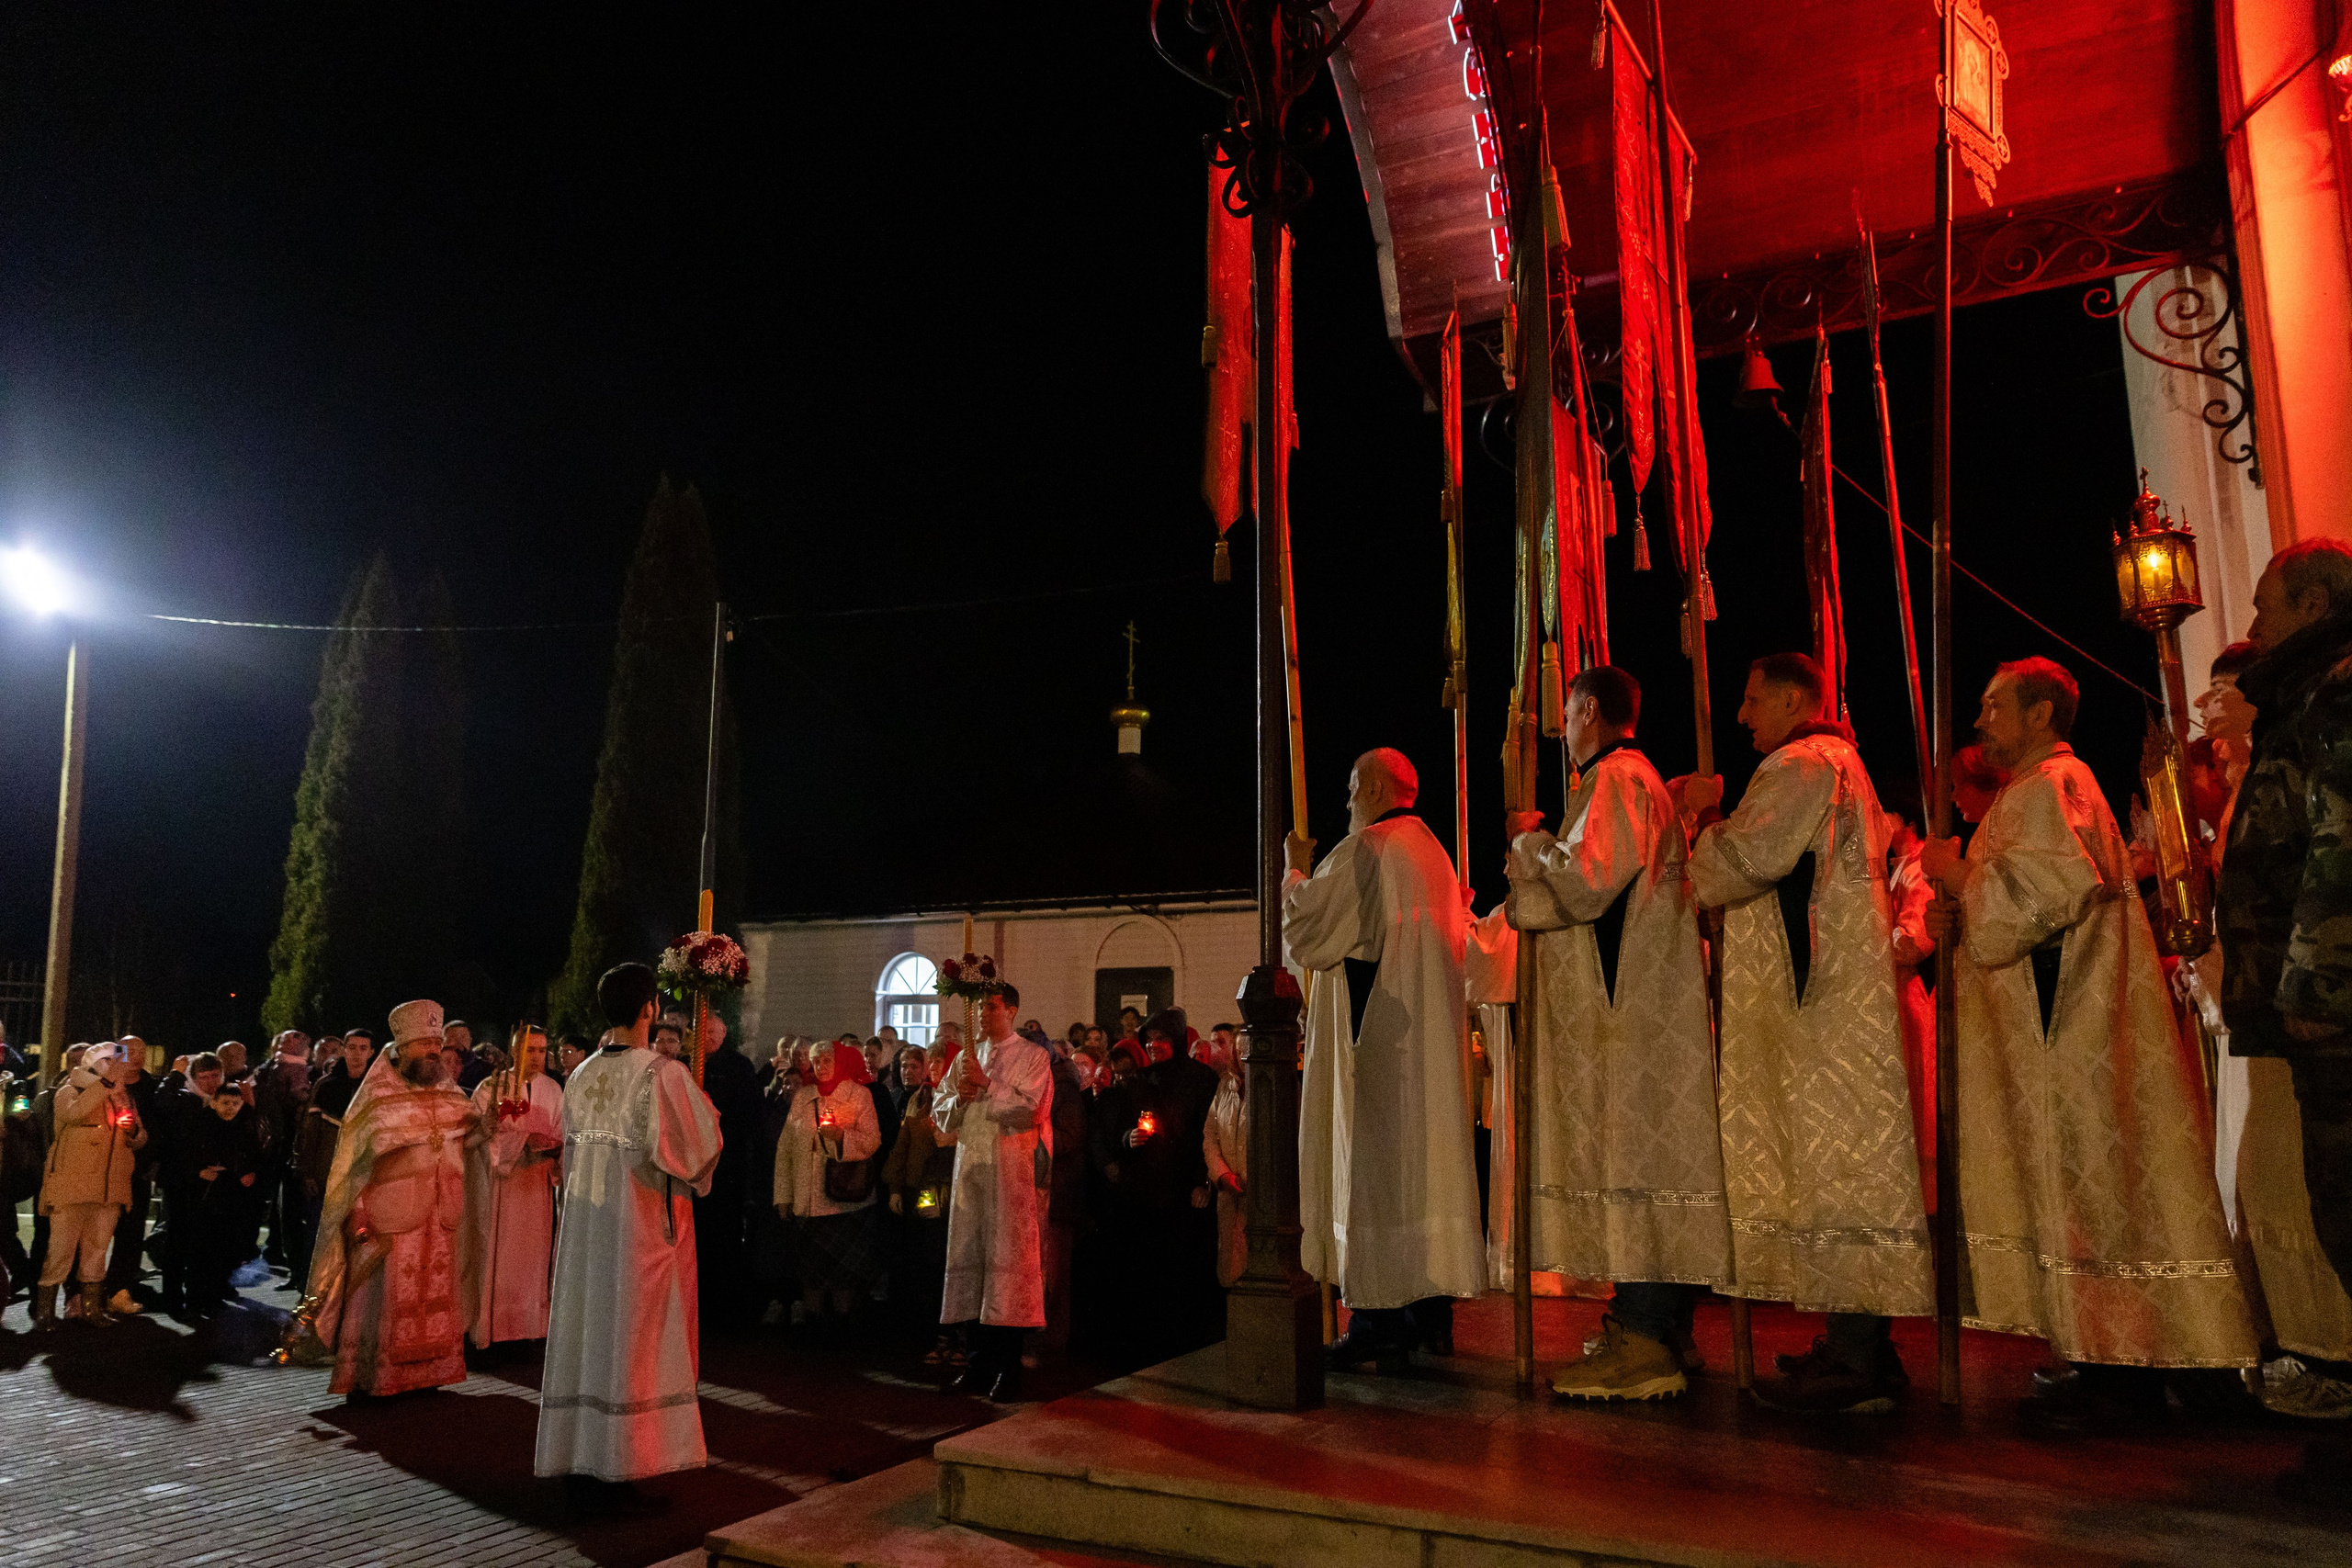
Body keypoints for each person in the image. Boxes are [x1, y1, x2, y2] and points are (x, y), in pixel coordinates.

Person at [1917, 658, 2256, 1425]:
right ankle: (2099, 1354)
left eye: (1992, 705)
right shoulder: (2031, 791)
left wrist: (1962, 873)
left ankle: (2120, 1370)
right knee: (2081, 1194)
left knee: (2092, 1194)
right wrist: (1957, 914)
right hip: (2048, 1037)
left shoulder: (2052, 786)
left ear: (2040, 716)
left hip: (2067, 1039)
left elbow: (2046, 896)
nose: (1979, 720)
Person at [1683, 652, 1933, 1414]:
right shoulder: (1842, 763)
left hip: (1815, 1003)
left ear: (1796, 699)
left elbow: (1738, 862)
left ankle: (1859, 1359)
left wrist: (1698, 822)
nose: (1741, 715)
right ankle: (1859, 1343)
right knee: (1840, 1162)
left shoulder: (1800, 764)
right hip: (1836, 999)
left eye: (1754, 699)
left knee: (1837, 1165)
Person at [1505, 666, 1731, 1401]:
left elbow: (1581, 885)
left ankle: (1644, 1338)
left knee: (1636, 1158)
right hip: (1637, 1010)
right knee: (1649, 1162)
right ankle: (1656, 1327)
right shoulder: (1635, 784)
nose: (1559, 726)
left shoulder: (1616, 781)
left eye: (1565, 712)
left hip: (1622, 1017)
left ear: (1591, 710)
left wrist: (1530, 844)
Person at [2211, 542, 2352, 1495]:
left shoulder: (2335, 693)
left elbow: (2334, 855)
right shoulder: (2301, 695)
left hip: (2334, 1012)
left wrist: (2309, 996)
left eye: (2265, 606)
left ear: (2310, 603)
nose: (2253, 627)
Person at [1283, 748, 1483, 1371]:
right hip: (1426, 1053)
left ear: (1373, 786)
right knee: (1421, 1178)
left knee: (1375, 1176)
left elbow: (1310, 933)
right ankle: (1430, 1315)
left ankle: (1376, 1319)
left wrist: (1294, 872)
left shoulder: (1366, 848)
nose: (1346, 802)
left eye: (1349, 788)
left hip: (1377, 1051)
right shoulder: (1434, 855)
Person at [536, 963, 722, 1496]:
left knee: (590, 1334)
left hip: (586, 1230)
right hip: (641, 1235)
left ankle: (581, 1455)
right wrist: (706, 1113)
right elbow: (698, 1150)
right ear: (649, 1009)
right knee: (636, 1343)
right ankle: (630, 1462)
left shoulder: (581, 1072)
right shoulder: (662, 1075)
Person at [288, 1001, 479, 1398]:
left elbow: (463, 1139)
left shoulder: (448, 1093)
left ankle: (428, 1374)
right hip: (390, 1216)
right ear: (402, 1048)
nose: (433, 1050)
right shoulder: (375, 1099)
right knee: (385, 1301)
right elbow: (353, 1166)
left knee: (434, 1296)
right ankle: (375, 1378)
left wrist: (486, 1128)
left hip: (438, 1213)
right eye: (424, 1043)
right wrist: (358, 1214)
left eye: (436, 1042)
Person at [933, 982, 1053, 1403]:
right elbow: (940, 1110)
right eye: (980, 1008)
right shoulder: (967, 1056)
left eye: (992, 1007)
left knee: (1006, 1269)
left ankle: (1009, 1369)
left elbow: (1031, 1109)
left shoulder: (1033, 1056)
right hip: (971, 1171)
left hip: (1010, 1173)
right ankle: (978, 1362)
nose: (984, 1015)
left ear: (1013, 1011)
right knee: (972, 1263)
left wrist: (988, 1086)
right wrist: (959, 1100)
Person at [34, 1041, 147, 1329]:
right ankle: (45, 1312)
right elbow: (74, 1114)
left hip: (109, 1189)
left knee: (97, 1251)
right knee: (60, 1251)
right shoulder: (70, 1091)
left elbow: (139, 1138)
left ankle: (91, 1307)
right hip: (72, 1188)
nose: (115, 1067)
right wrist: (107, 1086)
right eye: (110, 1062)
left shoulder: (123, 1095)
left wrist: (130, 1123)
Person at [775, 1039, 885, 1327]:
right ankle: (813, 1325)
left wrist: (842, 1139)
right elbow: (786, 1148)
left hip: (842, 1202)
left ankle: (842, 1325)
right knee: (810, 1272)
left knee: (842, 1273)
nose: (821, 1067)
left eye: (827, 1061)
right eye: (816, 1061)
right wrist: (783, 1196)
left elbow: (872, 1141)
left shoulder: (858, 1096)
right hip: (806, 1200)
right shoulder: (804, 1097)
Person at [468, 1025, 563, 1349]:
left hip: (536, 1184)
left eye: (541, 1050)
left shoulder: (553, 1089)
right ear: (514, 1050)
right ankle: (494, 1333)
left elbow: (563, 1130)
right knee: (500, 1253)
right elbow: (479, 1135)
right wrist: (522, 1141)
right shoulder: (491, 1087)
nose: (536, 1057)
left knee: (534, 1258)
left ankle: (530, 1330)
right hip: (502, 1185)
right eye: (529, 1050)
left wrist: (555, 1148)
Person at [883, 1045, 957, 1359]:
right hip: (925, 1191)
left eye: (942, 1060)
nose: (936, 1066)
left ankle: (950, 1336)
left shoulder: (960, 1101)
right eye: (934, 1061)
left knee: (945, 1260)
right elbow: (903, 1146)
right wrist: (896, 1187)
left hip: (951, 1191)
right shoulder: (920, 1099)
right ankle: (927, 1333)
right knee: (925, 1257)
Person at [187, 1082, 265, 1315]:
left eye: (235, 1103)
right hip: (207, 1194)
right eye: (225, 1103)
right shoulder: (202, 1125)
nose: (230, 1108)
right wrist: (199, 1171)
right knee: (204, 1247)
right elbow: (188, 1154)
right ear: (213, 1103)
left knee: (227, 1244)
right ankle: (197, 1295)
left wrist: (251, 1172)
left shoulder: (246, 1125)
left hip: (233, 1194)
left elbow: (255, 1155)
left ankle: (219, 1287)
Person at [103, 1037, 163, 1314]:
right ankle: (87, 1290)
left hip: (139, 1170)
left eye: (141, 1051)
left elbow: (161, 1129)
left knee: (131, 1232)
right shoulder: (107, 1083)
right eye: (129, 1051)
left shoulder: (153, 1088)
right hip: (105, 1169)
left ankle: (120, 1287)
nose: (136, 1057)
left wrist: (153, 1160)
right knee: (98, 1232)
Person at [253, 1031, 312, 1277]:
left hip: (294, 1141)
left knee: (287, 1203)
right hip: (273, 1142)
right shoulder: (266, 1072)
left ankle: (282, 1249)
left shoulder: (304, 1072)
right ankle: (270, 1248)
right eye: (285, 1042)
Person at [1201, 1032, 1247, 1290]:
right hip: (1229, 1191)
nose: (1243, 1056)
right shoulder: (1225, 1085)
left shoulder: (1277, 1083)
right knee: (1229, 1261)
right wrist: (1222, 1174)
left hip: (1257, 1194)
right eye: (1239, 1050)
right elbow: (1211, 1134)